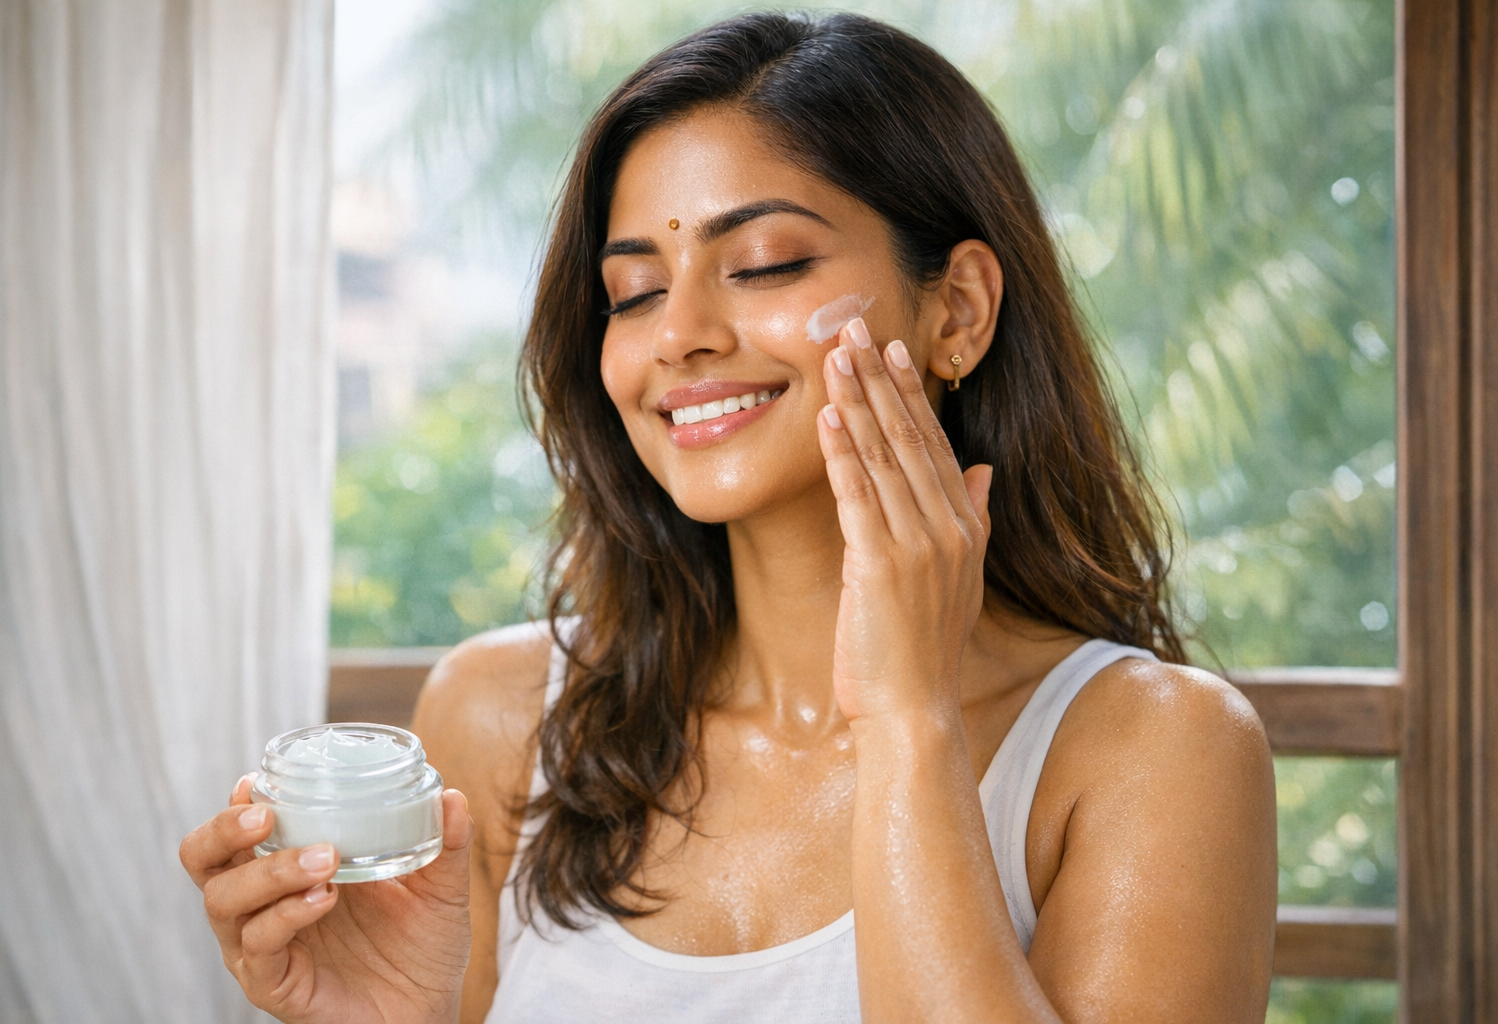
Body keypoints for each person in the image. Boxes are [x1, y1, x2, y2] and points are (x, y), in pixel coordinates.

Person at [179, 11, 1277, 1023]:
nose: (680, 334)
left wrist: (907, 719)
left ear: (959, 310)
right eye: (635, 290)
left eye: (765, 264)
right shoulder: (498, 720)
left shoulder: (1156, 752)